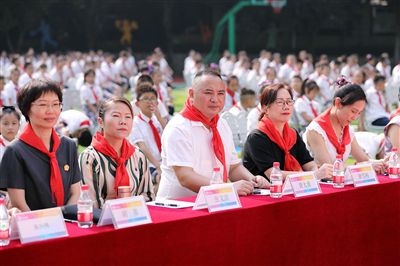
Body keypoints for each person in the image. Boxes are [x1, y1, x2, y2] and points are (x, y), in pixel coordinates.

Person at [157, 70, 269, 199]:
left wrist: (254, 180)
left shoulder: (221, 124)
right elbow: (185, 177)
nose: (215, 99)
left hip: (216, 200)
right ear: (191, 94)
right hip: (178, 206)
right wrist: (227, 188)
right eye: (208, 93)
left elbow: (233, 168)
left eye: (221, 93)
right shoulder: (178, 128)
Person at [0, 79, 81, 211]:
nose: (51, 111)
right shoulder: (15, 151)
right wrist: (47, 224)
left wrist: (64, 220)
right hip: (34, 226)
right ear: (27, 109)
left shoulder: (68, 145)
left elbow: (75, 193)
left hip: (68, 225)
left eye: (56, 104)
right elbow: (19, 204)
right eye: (43, 105)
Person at [243, 83, 332, 180]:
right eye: (280, 102)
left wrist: (316, 172)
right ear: (265, 108)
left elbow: (309, 164)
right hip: (265, 192)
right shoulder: (257, 137)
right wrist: (314, 175)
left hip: (292, 189)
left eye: (289, 101)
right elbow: (273, 175)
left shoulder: (292, 134)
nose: (286, 107)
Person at [79, 97, 154, 208]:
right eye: (116, 116)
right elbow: (93, 204)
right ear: (101, 122)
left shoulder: (138, 155)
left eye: (128, 117)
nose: (123, 121)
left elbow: (148, 197)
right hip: (103, 223)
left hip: (137, 220)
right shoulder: (90, 157)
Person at [303, 78, 385, 172]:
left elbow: (364, 160)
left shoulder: (347, 129)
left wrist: (381, 162)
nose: (355, 117)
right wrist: (365, 167)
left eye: (359, 113)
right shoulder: (316, 130)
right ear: (338, 103)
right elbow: (329, 170)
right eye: (353, 111)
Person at [129, 85, 163, 191]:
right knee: (161, 178)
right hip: (148, 165)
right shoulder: (135, 123)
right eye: (146, 99)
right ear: (138, 103)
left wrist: (159, 117)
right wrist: (158, 166)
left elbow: (168, 137)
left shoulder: (156, 120)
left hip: (163, 162)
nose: (150, 102)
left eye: (152, 98)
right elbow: (143, 148)